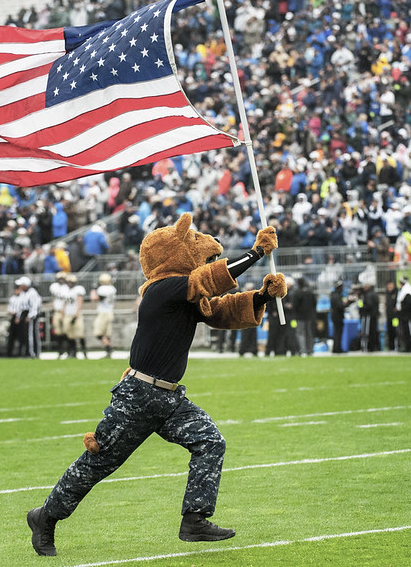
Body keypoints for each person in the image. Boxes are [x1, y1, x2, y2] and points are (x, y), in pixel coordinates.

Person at [26, 215, 284, 556]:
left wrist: (263, 296)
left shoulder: (186, 294)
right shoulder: (163, 289)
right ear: (171, 253)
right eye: (191, 243)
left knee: (210, 442)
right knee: (99, 463)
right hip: (138, 396)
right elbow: (208, 280)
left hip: (168, 397)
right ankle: (45, 516)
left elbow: (220, 311)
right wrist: (255, 254)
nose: (201, 247)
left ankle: (194, 520)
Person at [91, 273, 116, 359]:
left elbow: (94, 298)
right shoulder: (112, 288)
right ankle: (108, 351)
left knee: (98, 333)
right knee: (107, 334)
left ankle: (109, 349)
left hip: (103, 313)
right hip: (110, 312)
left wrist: (93, 289)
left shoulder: (102, 289)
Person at [17, 276, 42, 358]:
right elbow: (20, 306)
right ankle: (26, 351)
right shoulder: (23, 293)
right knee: (25, 334)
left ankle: (33, 352)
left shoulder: (32, 293)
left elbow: (35, 306)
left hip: (30, 315)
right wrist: (19, 316)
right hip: (24, 314)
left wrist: (30, 315)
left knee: (32, 334)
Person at [64, 274, 87, 358]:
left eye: (71, 282)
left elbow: (80, 302)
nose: (70, 283)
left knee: (80, 333)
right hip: (68, 314)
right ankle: (73, 352)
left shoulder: (78, 290)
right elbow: (65, 303)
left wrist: (76, 314)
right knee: (69, 334)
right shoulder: (66, 290)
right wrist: (63, 314)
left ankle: (84, 352)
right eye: (69, 282)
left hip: (76, 314)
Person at [294, 277, 317, 356]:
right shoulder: (310, 292)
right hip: (310, 316)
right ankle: (310, 350)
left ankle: (302, 350)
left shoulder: (297, 293)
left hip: (300, 316)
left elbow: (295, 305)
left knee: (300, 333)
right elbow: (314, 303)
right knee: (309, 333)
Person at [49, 272, 70, 358]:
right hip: (57, 311)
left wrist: (63, 313)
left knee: (67, 332)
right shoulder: (54, 286)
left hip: (65, 312)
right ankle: (60, 351)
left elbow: (66, 301)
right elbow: (54, 298)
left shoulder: (67, 288)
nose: (61, 280)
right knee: (58, 332)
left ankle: (69, 350)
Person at [329, 280, 351, 353]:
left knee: (337, 332)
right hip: (337, 316)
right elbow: (340, 306)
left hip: (335, 316)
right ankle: (337, 348)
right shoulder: (337, 295)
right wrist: (348, 303)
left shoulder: (334, 295)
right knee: (338, 332)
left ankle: (336, 348)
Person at [396, 278, 411, 353]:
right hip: (404, 317)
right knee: (405, 333)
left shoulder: (407, 293)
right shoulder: (404, 292)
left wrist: (403, 309)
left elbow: (409, 305)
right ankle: (407, 347)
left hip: (408, 317)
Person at [358, 282, 380, 352]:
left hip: (368, 316)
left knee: (366, 331)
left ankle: (366, 346)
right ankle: (375, 347)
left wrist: (361, 307)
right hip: (374, 315)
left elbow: (368, 305)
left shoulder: (368, 295)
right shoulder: (374, 294)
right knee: (374, 331)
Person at [7, 283, 24, 357]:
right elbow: (9, 308)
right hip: (13, 317)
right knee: (11, 337)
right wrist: (12, 312)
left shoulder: (23, 298)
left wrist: (18, 317)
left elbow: (22, 308)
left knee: (21, 337)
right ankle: (9, 353)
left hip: (20, 318)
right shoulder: (12, 298)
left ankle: (20, 353)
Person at [384, 280, 399, 351]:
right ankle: (391, 346)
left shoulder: (396, 293)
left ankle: (397, 345)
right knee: (389, 331)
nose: (390, 287)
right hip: (388, 316)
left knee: (395, 330)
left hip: (395, 317)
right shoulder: (387, 294)